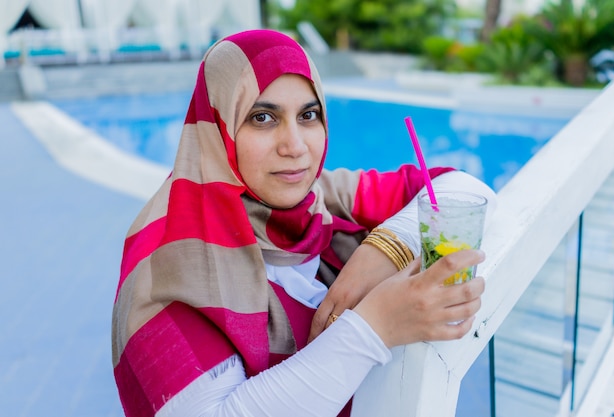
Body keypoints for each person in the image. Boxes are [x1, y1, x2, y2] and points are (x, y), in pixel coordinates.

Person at [111, 29, 496, 417]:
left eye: (308, 115)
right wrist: (374, 325)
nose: (295, 146)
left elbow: (467, 189)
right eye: (263, 117)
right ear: (218, 125)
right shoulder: (169, 263)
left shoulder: (326, 198)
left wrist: (383, 251)